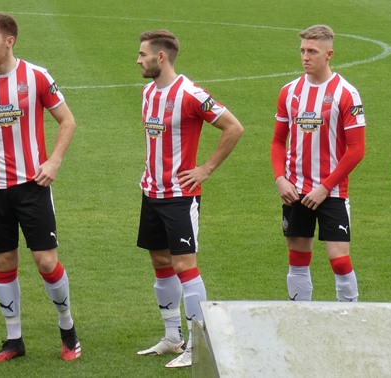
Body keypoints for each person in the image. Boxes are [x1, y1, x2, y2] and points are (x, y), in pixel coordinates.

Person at [0, 13, 80, 362]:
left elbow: (67, 121)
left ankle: (67, 329)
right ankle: (14, 339)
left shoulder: (36, 76)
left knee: (45, 260)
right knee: (4, 259)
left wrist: (54, 161)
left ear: (9, 41)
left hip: (32, 184)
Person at [135, 30, 244, 368]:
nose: (138, 60)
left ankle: (199, 345)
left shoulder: (190, 94)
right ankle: (172, 337)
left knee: (185, 265)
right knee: (160, 261)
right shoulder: (148, 92)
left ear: (161, 57)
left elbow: (233, 127)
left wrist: (206, 169)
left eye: (142, 54)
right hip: (151, 192)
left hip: (180, 196)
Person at [270, 24, 366, 304]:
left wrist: (325, 187)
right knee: (297, 258)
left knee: (339, 261)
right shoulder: (289, 91)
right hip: (295, 191)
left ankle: (349, 320)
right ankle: (301, 318)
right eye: (302, 50)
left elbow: (357, 149)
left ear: (329, 54)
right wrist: (280, 178)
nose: (305, 56)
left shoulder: (346, 93)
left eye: (312, 51)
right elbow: (278, 142)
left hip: (332, 192)